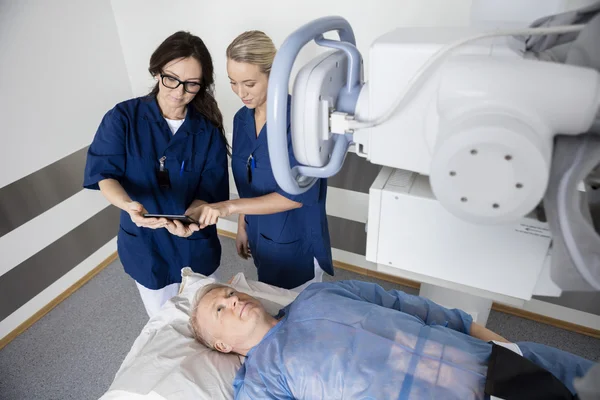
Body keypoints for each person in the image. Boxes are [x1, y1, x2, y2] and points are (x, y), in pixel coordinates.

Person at [190, 281, 595, 399]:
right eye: (219, 311)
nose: (232, 300)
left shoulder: (318, 294)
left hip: (493, 361)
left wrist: (505, 345)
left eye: (228, 294)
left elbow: (423, 309)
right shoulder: (262, 380)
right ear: (221, 346)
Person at [83, 31, 229, 318]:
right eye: (171, 78)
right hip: (144, 244)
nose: (179, 91)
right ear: (157, 71)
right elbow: (105, 175)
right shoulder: (123, 118)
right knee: (163, 322)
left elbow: (209, 192)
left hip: (193, 240)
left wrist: (194, 216)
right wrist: (128, 205)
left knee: (208, 320)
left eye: (192, 85)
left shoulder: (206, 131)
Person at [191, 30, 333, 291]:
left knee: (301, 311)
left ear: (275, 72)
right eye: (233, 82)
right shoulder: (241, 119)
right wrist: (243, 226)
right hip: (260, 235)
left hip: (295, 241)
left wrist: (230, 208)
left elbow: (296, 196)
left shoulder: (300, 122)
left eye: (249, 83)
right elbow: (248, 181)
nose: (240, 92)